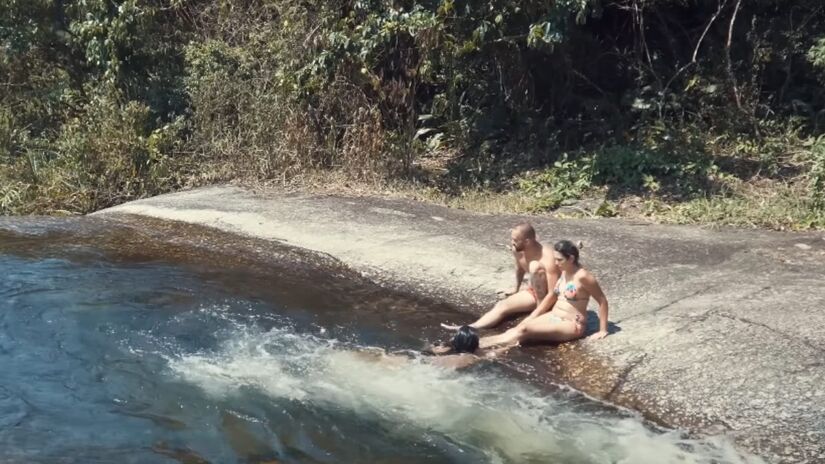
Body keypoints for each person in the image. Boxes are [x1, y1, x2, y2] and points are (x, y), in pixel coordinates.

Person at [478, 240, 609, 349]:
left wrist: (602, 330)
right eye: (555, 259)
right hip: (553, 316)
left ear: (571, 258)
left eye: (559, 260)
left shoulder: (584, 277)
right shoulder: (565, 271)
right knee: (517, 329)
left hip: (570, 324)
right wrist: (533, 315)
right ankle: (480, 349)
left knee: (523, 331)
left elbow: (602, 301)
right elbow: (553, 296)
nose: (556, 263)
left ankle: (477, 347)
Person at [441, 223, 560, 331]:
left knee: (535, 266)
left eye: (515, 240)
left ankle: (541, 313)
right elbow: (519, 268)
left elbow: (553, 293)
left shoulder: (547, 256)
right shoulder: (517, 250)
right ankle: (471, 327)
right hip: (534, 291)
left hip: (552, 297)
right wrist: (516, 288)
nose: (512, 242)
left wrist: (535, 315)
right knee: (502, 305)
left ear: (527, 242)